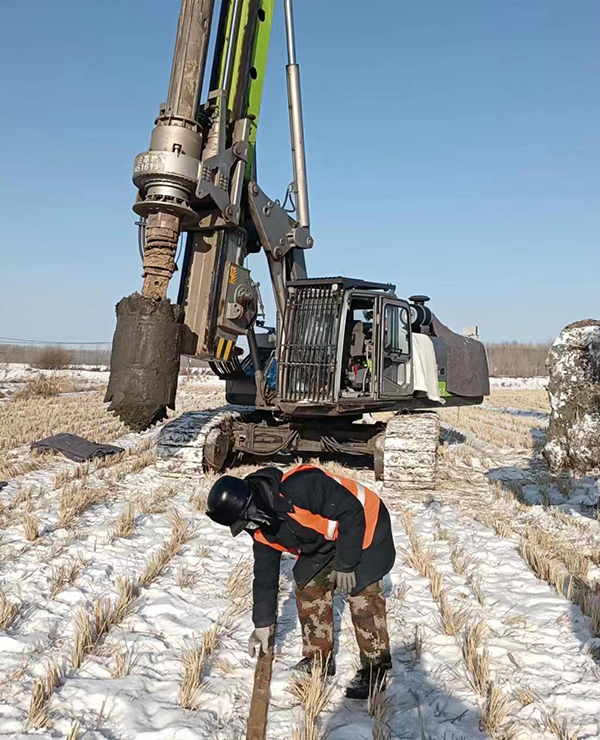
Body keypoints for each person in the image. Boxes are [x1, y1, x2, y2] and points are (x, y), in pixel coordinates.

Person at [206, 463, 396, 699]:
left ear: (251, 506)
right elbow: (265, 577)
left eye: (245, 521)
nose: (248, 528)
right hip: (326, 542)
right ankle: (318, 660)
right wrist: (262, 623)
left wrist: (346, 565)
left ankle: (375, 670)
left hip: (366, 522)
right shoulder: (262, 530)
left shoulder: (300, 487)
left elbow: (351, 511)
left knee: (362, 594)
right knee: (309, 587)